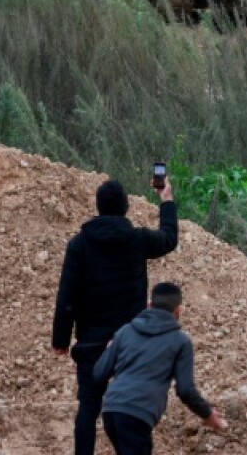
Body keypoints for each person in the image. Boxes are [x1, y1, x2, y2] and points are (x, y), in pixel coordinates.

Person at [53, 178, 179, 455]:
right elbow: (169, 238)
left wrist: (60, 339)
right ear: (125, 207)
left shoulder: (79, 245)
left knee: (88, 407)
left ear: (98, 207)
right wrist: (166, 199)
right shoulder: (138, 240)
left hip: (91, 342)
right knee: (130, 406)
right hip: (130, 344)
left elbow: (67, 295)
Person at [94, 282, 228, 454]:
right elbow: (185, 390)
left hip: (111, 411)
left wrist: (109, 351)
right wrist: (208, 415)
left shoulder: (125, 331)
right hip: (138, 415)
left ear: (149, 305)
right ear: (178, 311)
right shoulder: (180, 341)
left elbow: (99, 373)